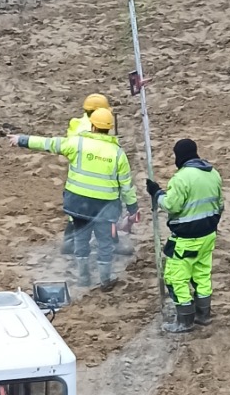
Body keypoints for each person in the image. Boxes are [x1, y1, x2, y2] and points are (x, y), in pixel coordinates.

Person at [14, 107, 138, 287]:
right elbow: (126, 187)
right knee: (105, 243)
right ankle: (105, 279)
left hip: (79, 206)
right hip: (105, 208)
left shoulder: (78, 144)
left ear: (93, 126)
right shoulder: (118, 153)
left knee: (81, 239)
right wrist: (133, 209)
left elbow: (50, 144)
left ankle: (83, 277)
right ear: (110, 128)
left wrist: (22, 140)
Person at [146, 136, 222, 331]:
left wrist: (156, 193)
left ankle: (185, 320)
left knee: (175, 277)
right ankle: (203, 315)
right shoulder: (213, 174)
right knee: (202, 275)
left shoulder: (181, 178)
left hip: (187, 239)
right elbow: (220, 205)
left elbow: (171, 205)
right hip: (208, 235)